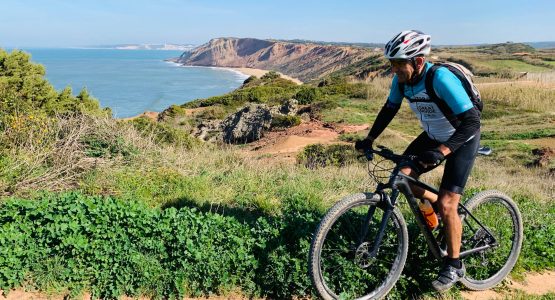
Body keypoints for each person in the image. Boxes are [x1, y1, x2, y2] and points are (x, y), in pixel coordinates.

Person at [355, 30, 481, 292]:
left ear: (419, 61)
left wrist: (443, 151)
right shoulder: (400, 82)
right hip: (433, 136)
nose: (395, 69)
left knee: (448, 202)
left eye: (399, 63)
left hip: (461, 139)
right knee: (401, 178)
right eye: (392, 64)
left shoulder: (441, 78)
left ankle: (454, 265)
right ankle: (436, 207)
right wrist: (369, 138)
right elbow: (389, 109)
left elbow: (471, 121)